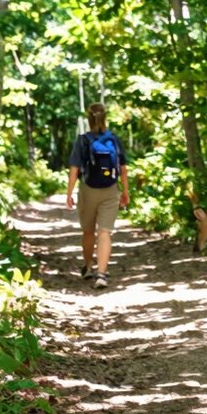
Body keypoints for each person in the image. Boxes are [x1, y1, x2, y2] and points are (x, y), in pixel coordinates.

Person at [66, 103, 130, 289]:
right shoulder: (114, 139)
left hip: (88, 190)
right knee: (105, 232)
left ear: (89, 119)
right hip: (111, 189)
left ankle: (88, 267)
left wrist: (69, 193)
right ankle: (101, 274)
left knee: (88, 231)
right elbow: (123, 169)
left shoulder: (83, 140)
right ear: (105, 118)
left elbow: (74, 169)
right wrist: (125, 191)